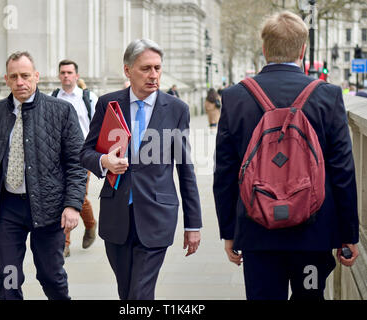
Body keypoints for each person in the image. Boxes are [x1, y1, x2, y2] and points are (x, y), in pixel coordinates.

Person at [213, 11, 359, 300]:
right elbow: (343, 170)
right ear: (303, 49)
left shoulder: (235, 97)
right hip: (313, 232)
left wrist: (230, 231)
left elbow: (225, 172)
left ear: (264, 49)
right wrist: (348, 234)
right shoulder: (328, 95)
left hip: (257, 230)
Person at [80, 39, 202, 300]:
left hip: (158, 215)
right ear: (128, 71)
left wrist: (193, 224)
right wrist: (105, 162)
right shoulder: (108, 104)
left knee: (139, 295)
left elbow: (185, 168)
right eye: (146, 68)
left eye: (158, 68)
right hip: (116, 217)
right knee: (126, 294)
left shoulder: (176, 109)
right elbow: (86, 153)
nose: (154, 75)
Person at [0, 51, 87, 300]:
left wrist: (72, 205)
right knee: (8, 275)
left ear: (36, 76)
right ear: (6, 79)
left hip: (49, 208)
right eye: (14, 77)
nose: (20, 82)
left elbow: (76, 163)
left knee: (50, 274)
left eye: (25, 75)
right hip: (8, 209)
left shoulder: (61, 111)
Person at [52, 59, 98, 257]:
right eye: (63, 72)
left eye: (70, 72)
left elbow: (98, 126)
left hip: (82, 155)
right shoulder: (52, 98)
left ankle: (90, 224)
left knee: (79, 196)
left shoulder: (88, 98)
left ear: (76, 76)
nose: (66, 76)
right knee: (63, 196)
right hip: (57, 155)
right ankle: (65, 243)